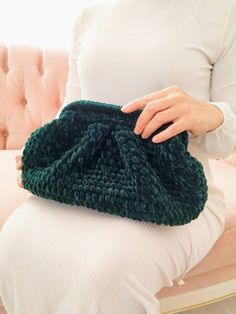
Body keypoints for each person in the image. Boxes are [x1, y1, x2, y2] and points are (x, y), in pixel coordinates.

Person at [1, 0, 236, 313]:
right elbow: (71, 113)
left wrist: (209, 114)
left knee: (104, 279)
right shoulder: (90, 17)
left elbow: (226, 140)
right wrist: (45, 152)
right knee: (14, 242)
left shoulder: (224, 13)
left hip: (175, 192)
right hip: (86, 181)